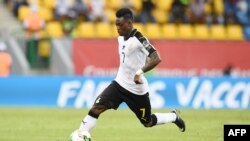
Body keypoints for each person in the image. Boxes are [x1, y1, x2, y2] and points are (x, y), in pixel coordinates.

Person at [76, 8, 186, 140]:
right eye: (116, 24)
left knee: (147, 122)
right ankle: (80, 135)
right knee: (96, 108)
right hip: (119, 84)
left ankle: (174, 116)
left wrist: (139, 73)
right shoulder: (120, 38)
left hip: (136, 90)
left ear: (129, 23)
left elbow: (156, 58)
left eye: (120, 25)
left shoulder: (139, 39)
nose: (117, 28)